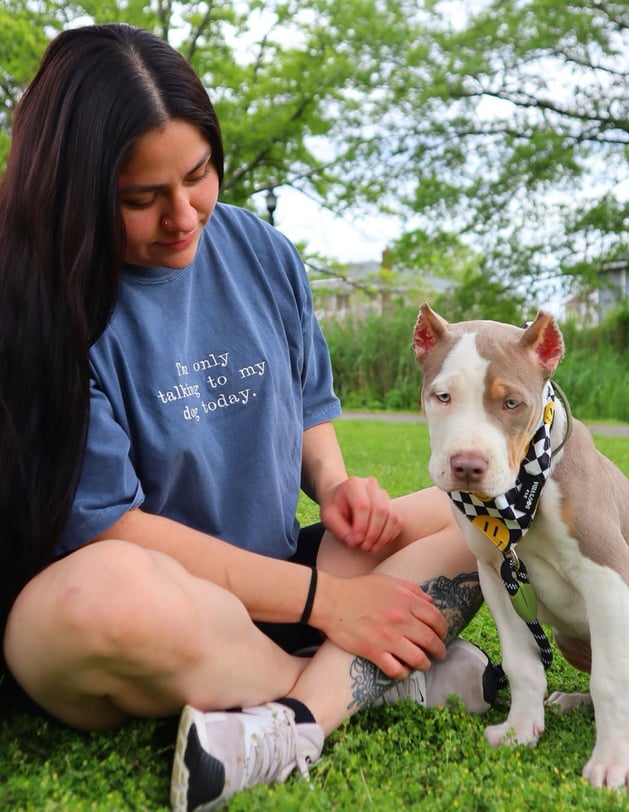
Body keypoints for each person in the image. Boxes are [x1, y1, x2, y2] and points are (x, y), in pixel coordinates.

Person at [0, 23, 499, 812]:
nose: (183, 215)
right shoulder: (36, 305)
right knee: (103, 598)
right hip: (143, 617)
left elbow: (303, 405)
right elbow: (109, 531)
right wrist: (330, 608)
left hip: (280, 584)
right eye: (141, 199)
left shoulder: (261, 252)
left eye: (199, 176)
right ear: (74, 194)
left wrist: (335, 484)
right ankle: (363, 687)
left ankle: (298, 708)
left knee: (498, 501)